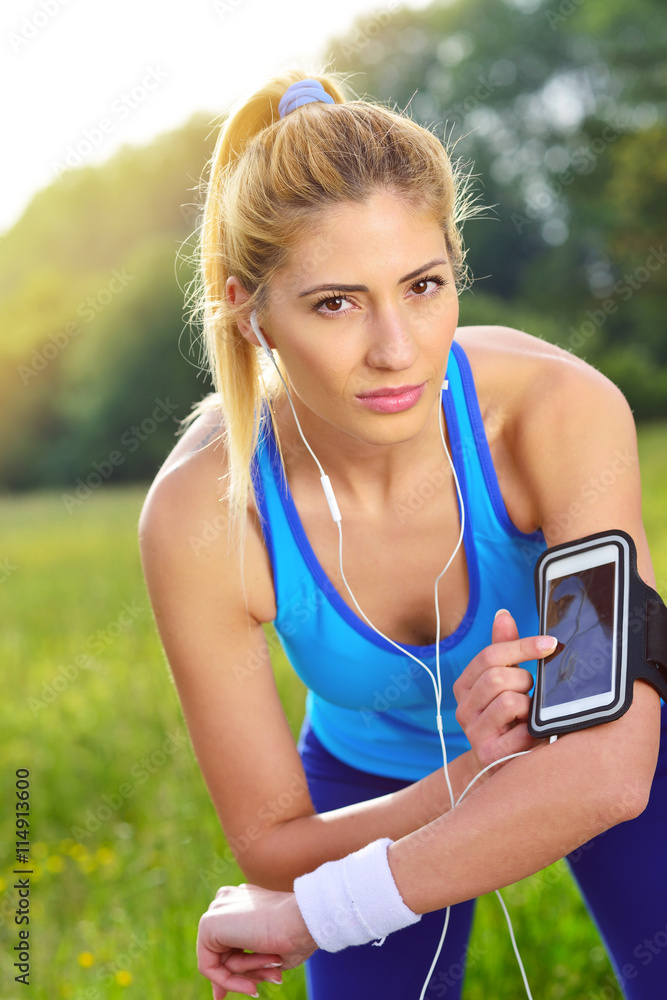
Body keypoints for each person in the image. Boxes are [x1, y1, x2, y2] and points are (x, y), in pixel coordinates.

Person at [138, 68, 666, 1000]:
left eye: (422, 286)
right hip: (370, 789)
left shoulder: (557, 413)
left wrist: (311, 918)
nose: (397, 349)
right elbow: (271, 844)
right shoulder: (205, 514)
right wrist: (467, 778)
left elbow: (607, 771)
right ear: (248, 312)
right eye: (334, 303)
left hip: (594, 741)